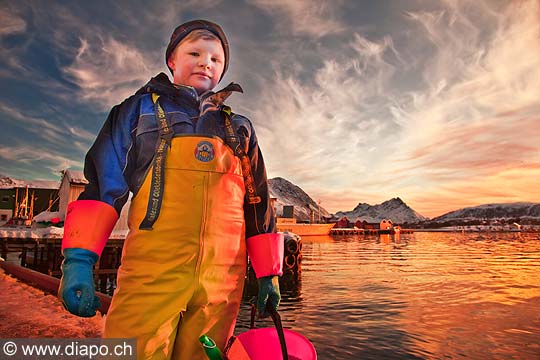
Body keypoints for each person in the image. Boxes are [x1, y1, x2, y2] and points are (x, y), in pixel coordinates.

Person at [58, 19, 283, 359]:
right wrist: (78, 259)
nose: (206, 62)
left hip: (222, 283)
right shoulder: (138, 112)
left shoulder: (239, 129)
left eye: (216, 58)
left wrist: (269, 272)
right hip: (152, 274)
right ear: (172, 61)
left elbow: (257, 200)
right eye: (194, 52)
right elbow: (105, 186)